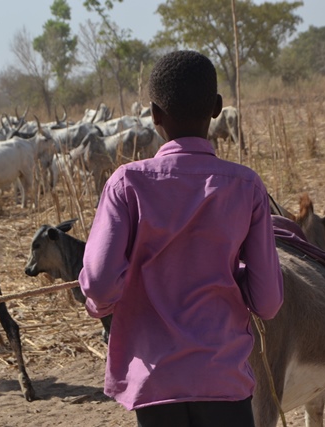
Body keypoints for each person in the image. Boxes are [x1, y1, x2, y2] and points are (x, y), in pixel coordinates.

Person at [79, 50, 283, 427]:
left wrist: (103, 304)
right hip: (224, 378)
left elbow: (98, 282)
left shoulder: (127, 184)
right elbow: (268, 302)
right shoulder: (246, 186)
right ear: (218, 108)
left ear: (154, 114)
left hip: (157, 383)